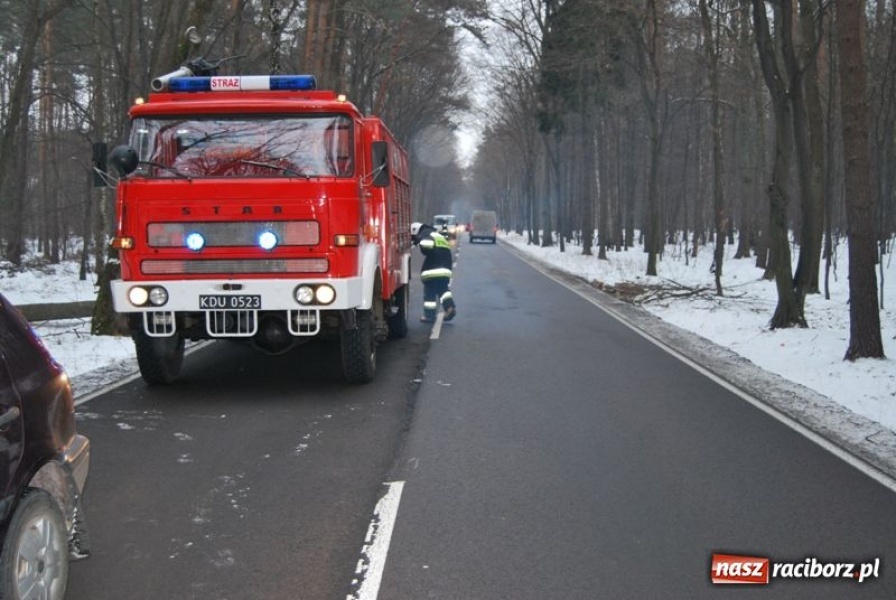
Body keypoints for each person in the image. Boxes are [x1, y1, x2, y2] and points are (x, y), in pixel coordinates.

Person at [411, 222, 457, 323]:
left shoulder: (425, 233)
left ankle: (429, 316)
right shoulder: (437, 235)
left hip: (433, 270)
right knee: (443, 290)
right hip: (445, 269)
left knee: (429, 293)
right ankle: (450, 307)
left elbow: (428, 246)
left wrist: (419, 240)